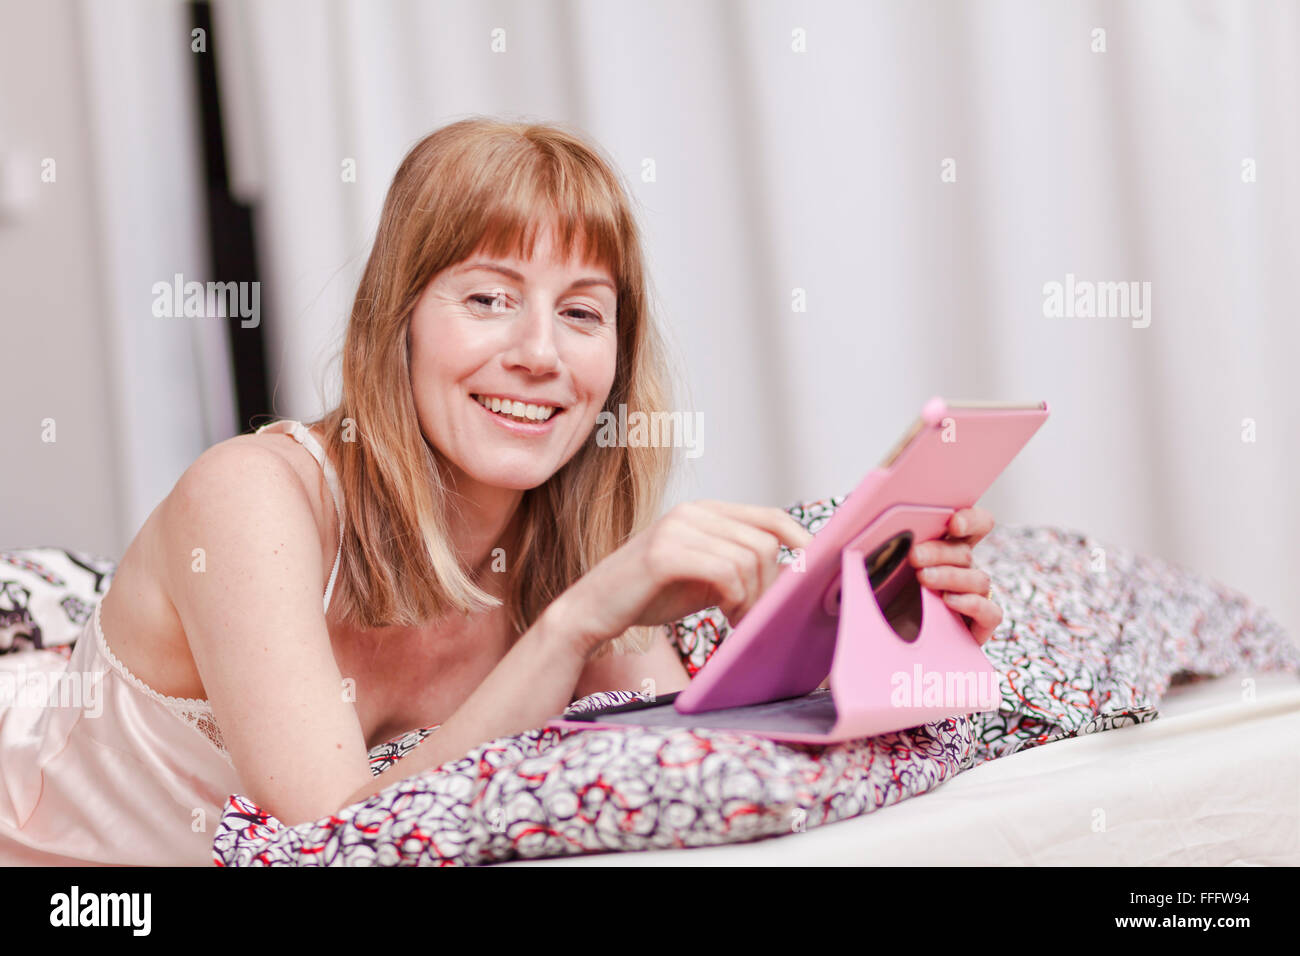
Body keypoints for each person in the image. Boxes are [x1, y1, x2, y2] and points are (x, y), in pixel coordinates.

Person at [0, 117, 1000, 866]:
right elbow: (337, 842)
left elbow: (680, 769)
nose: (536, 354)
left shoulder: (559, 532)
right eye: (487, 298)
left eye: (580, 311)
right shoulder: (250, 498)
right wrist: (569, 627)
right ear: (397, 321)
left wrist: (864, 618)